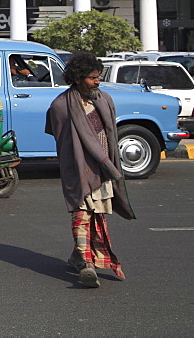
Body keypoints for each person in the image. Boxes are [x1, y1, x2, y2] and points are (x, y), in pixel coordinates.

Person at [45, 51, 134, 288]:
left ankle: (77, 256)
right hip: (78, 167)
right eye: (92, 78)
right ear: (77, 78)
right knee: (81, 211)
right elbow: (61, 137)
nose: (97, 81)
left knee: (96, 213)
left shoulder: (103, 99)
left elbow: (109, 133)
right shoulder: (61, 106)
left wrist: (106, 161)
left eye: (98, 77)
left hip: (103, 166)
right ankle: (87, 265)